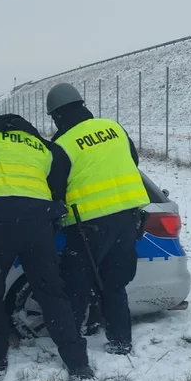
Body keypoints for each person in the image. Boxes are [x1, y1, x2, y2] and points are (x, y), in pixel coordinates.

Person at [0, 113, 93, 380]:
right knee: (52, 292)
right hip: (39, 223)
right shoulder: (45, 148)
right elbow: (59, 183)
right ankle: (78, 362)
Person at [46, 83, 149, 356]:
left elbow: (54, 190)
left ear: (56, 115)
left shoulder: (62, 144)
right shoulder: (114, 128)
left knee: (76, 284)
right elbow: (132, 161)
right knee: (114, 284)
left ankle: (73, 340)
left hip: (88, 223)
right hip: (128, 217)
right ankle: (120, 340)